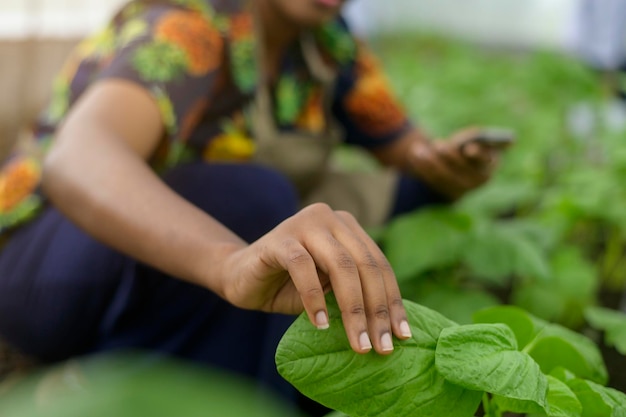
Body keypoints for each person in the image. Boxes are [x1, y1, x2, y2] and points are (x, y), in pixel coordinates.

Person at [0, 0, 500, 413]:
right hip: (43, 264)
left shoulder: (329, 43)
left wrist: (451, 167)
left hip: (164, 270)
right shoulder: (187, 25)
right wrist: (229, 262)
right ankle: (96, 386)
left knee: (400, 203)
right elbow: (78, 158)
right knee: (255, 198)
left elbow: (407, 153)